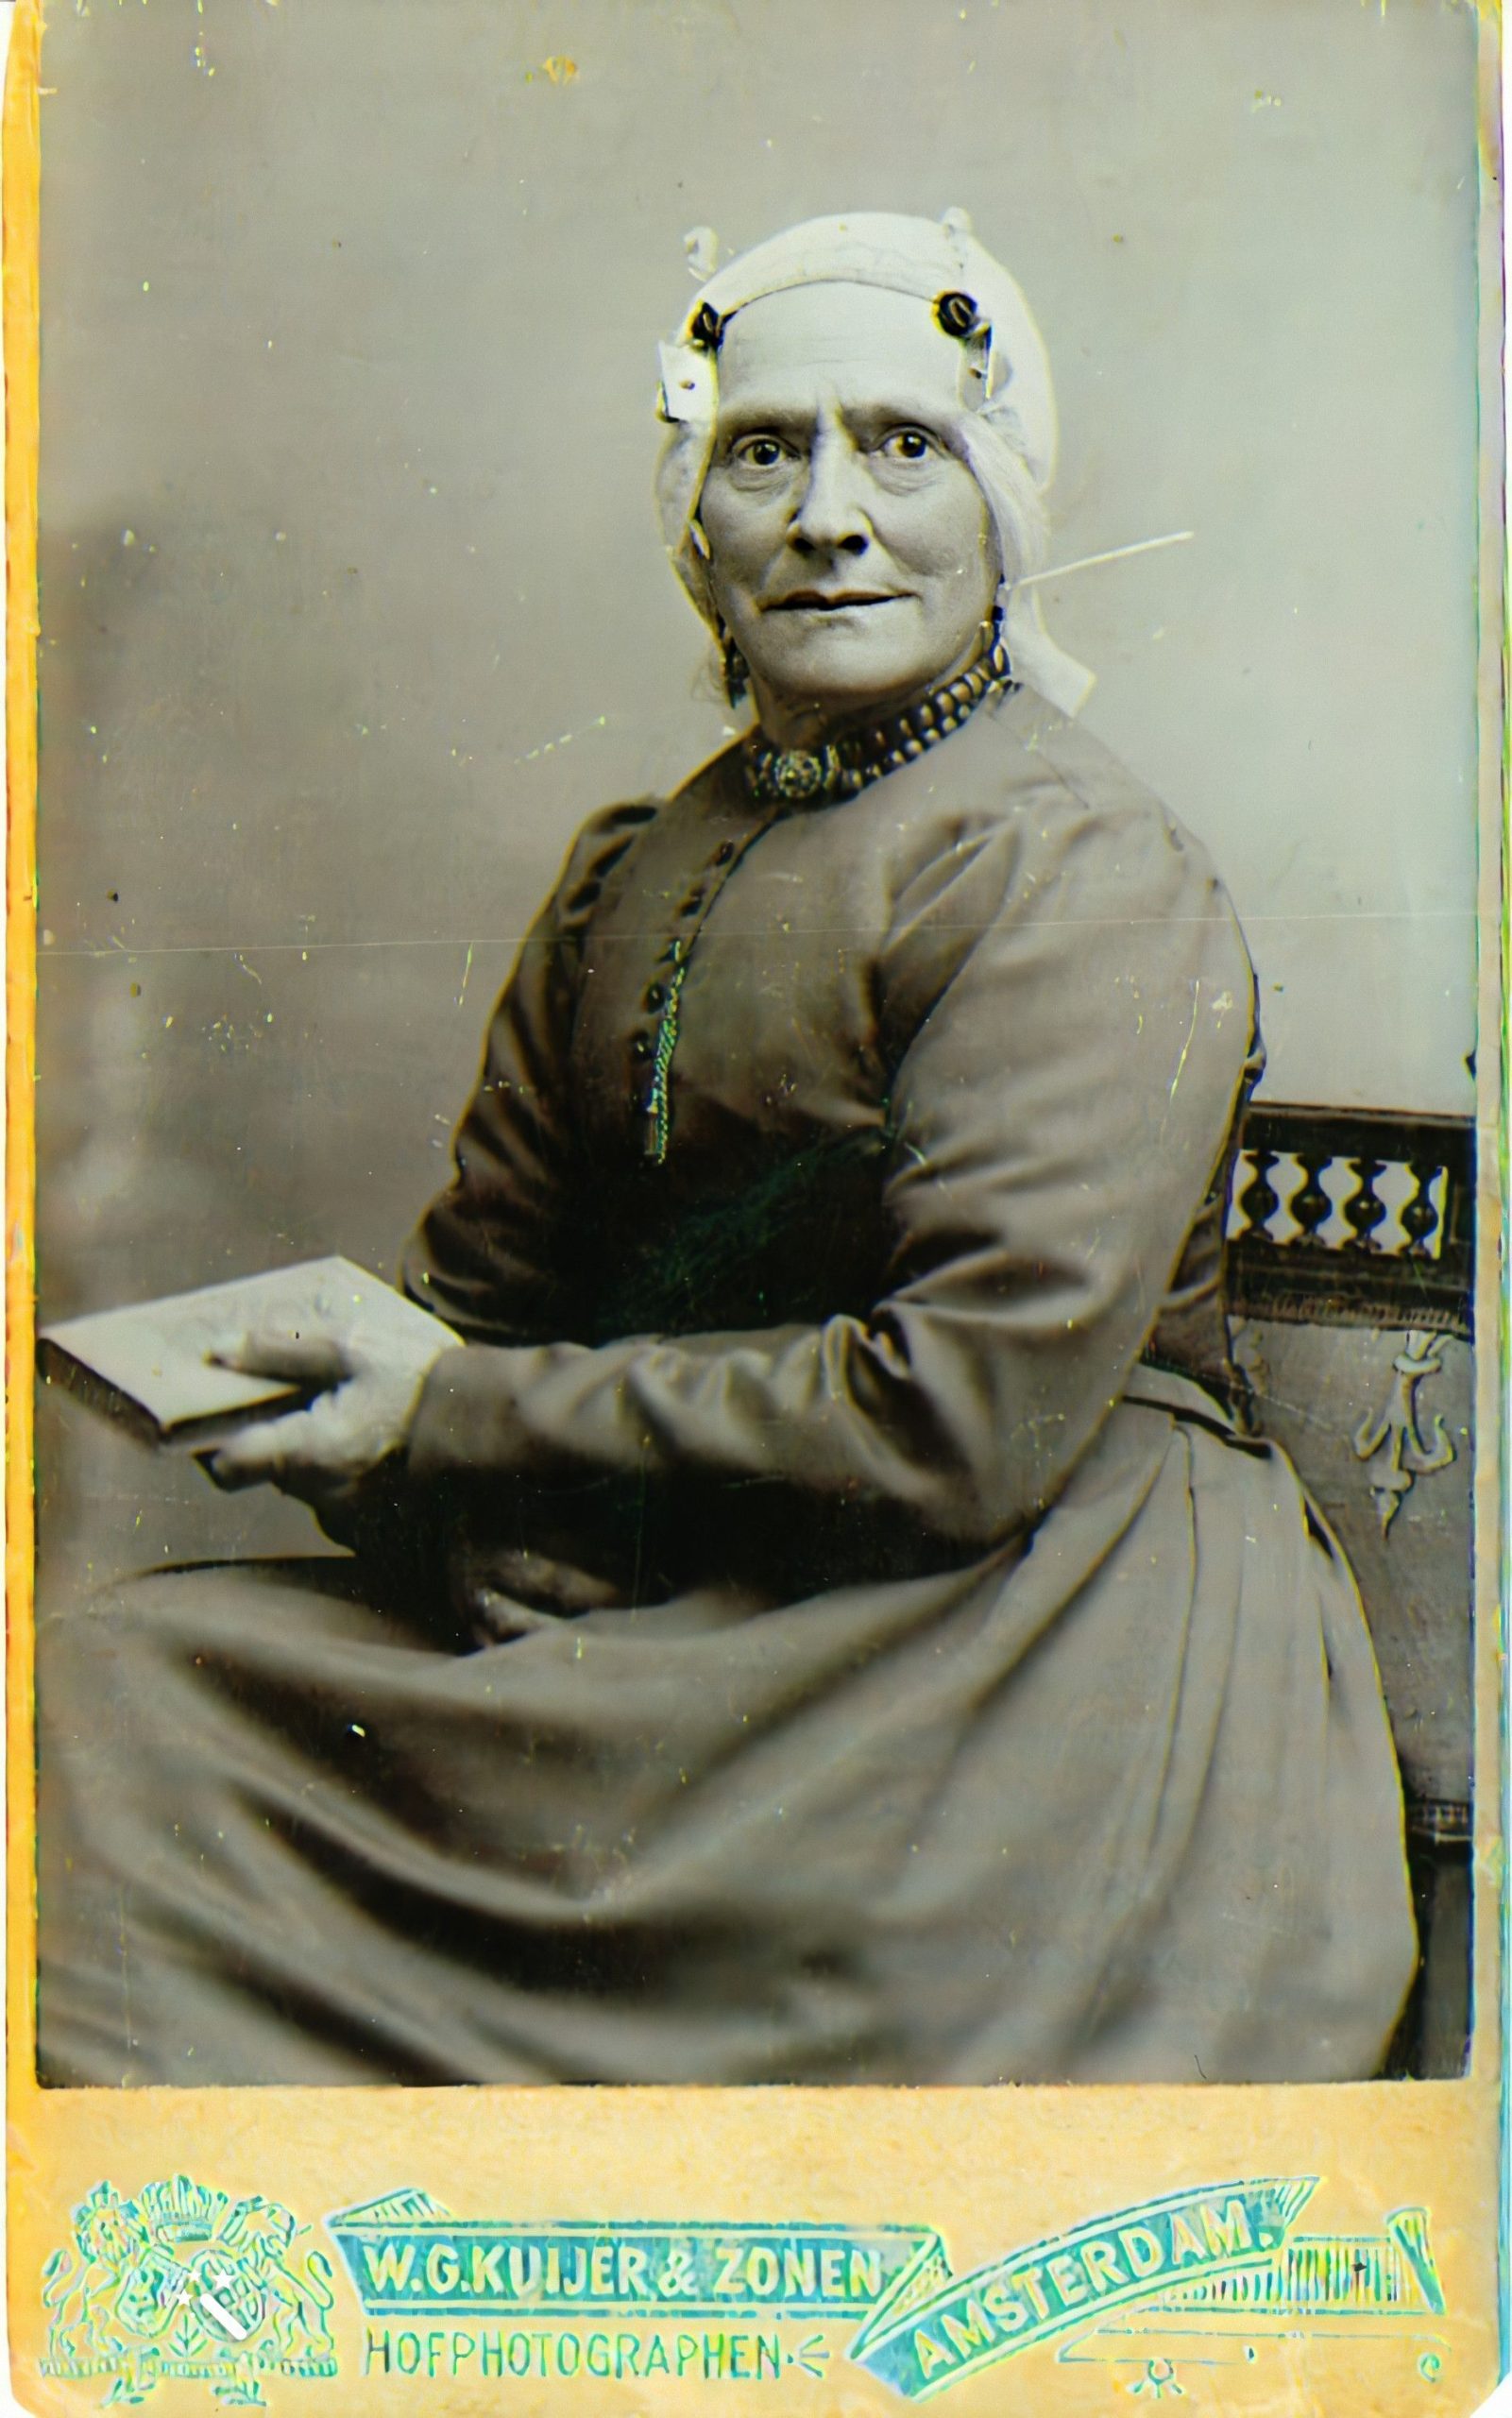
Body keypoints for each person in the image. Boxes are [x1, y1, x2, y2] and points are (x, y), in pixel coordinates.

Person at [37, 210, 1417, 2087]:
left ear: (1002, 509)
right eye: (767, 452)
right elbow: (479, 1313)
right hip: (698, 1597)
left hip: (1024, 1641)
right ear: (697, 523)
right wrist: (449, 1511)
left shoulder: (1073, 869)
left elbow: (962, 1420)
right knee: (93, 1709)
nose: (829, 516)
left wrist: (453, 1419)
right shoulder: (637, 869)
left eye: (902, 447)